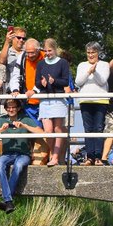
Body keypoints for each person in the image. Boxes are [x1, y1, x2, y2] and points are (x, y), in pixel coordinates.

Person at [0, 98, 40, 212]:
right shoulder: (2, 120)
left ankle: (7, 200)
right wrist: (1, 129)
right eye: (8, 107)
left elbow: (41, 132)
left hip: (23, 154)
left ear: (18, 108)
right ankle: (9, 202)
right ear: (5, 109)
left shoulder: (25, 119)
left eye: (13, 107)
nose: (11, 109)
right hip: (7, 153)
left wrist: (24, 126)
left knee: (19, 166)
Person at [35, 38, 71, 166]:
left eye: (50, 50)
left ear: (55, 50)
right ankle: (53, 153)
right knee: (48, 131)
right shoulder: (41, 64)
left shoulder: (63, 63)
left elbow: (65, 81)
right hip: (45, 100)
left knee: (57, 128)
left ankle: (55, 157)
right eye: (45, 51)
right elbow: (37, 83)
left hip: (58, 98)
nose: (47, 53)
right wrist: (42, 83)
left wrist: (54, 81)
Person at [74, 41, 109, 165]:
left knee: (99, 128)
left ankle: (98, 157)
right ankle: (89, 157)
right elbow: (78, 82)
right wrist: (88, 72)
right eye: (88, 52)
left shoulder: (104, 65)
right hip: (85, 100)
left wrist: (95, 72)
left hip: (100, 100)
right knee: (88, 129)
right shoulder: (82, 65)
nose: (90, 55)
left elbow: (102, 81)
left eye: (93, 52)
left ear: (98, 53)